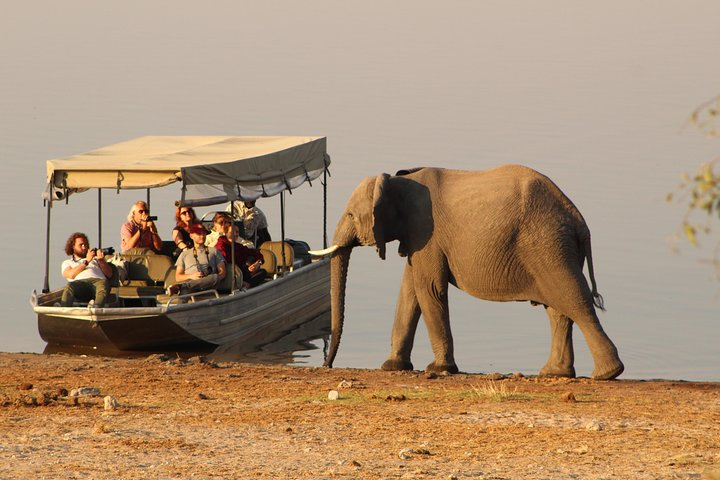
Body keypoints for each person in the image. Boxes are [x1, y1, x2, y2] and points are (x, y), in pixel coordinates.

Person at [206, 212, 267, 289]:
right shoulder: (220, 245)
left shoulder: (239, 246)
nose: (235, 234)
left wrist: (258, 263)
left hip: (240, 272)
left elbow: (255, 253)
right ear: (226, 233)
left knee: (262, 272)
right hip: (229, 275)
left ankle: (246, 284)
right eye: (232, 232)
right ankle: (245, 284)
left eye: (237, 232)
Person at [166, 224, 226, 295]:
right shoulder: (184, 254)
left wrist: (205, 278)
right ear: (191, 236)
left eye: (204, 233)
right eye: (199, 233)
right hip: (189, 285)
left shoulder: (214, 251)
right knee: (184, 291)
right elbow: (178, 277)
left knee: (215, 277)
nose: (202, 236)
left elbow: (222, 273)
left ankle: (180, 287)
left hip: (208, 285)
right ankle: (183, 288)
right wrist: (192, 276)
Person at [60, 232, 113, 307]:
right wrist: (87, 261)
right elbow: (70, 275)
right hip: (80, 284)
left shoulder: (96, 259)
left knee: (103, 285)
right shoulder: (68, 262)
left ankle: (97, 308)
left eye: (86, 244)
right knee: (69, 286)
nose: (84, 247)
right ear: (73, 246)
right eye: (81, 245)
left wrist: (101, 261)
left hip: (98, 282)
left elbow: (109, 274)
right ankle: (64, 309)